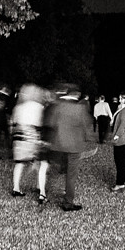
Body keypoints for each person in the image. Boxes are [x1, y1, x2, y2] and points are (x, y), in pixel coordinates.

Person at [41, 83, 95, 212]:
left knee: (53, 171)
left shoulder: (58, 106)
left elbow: (50, 123)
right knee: (71, 175)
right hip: (74, 146)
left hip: (57, 144)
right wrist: (89, 139)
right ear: (77, 95)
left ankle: (44, 193)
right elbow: (87, 126)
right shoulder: (80, 109)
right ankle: (68, 202)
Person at [10, 83, 49, 202]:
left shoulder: (18, 107)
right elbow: (41, 123)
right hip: (32, 136)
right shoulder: (38, 106)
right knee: (39, 162)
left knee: (19, 163)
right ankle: (40, 187)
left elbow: (13, 121)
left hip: (18, 136)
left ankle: (16, 188)